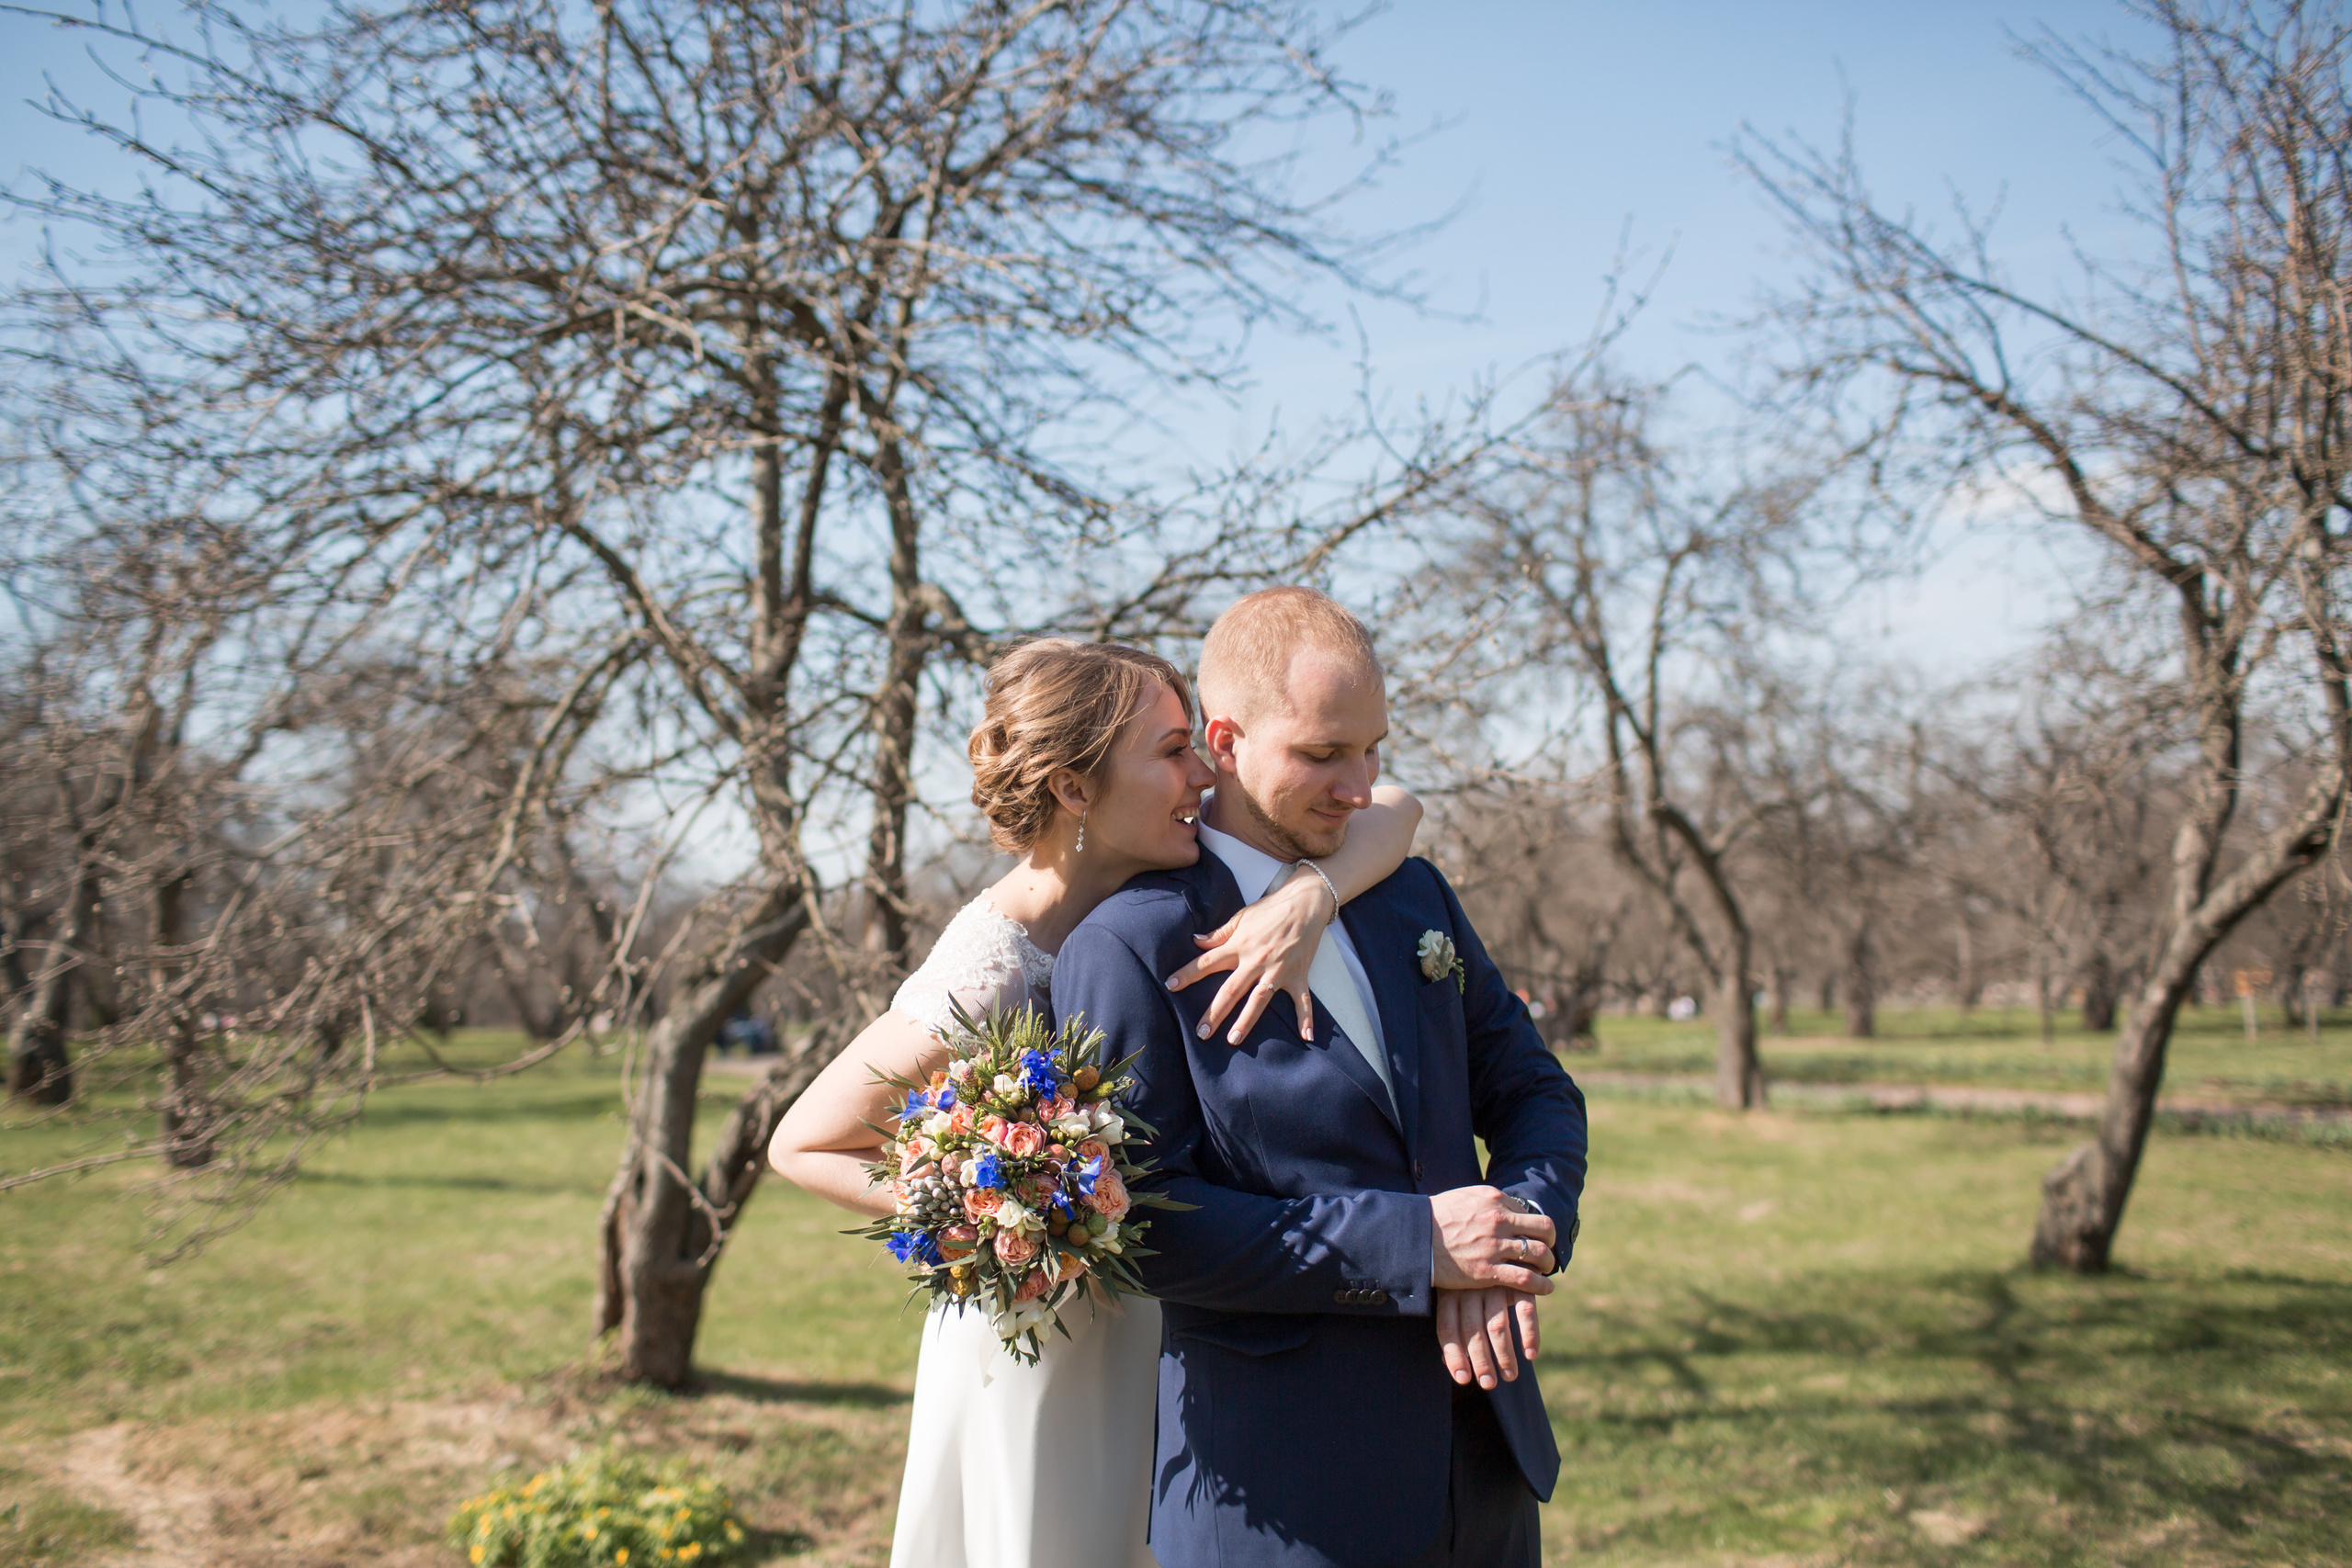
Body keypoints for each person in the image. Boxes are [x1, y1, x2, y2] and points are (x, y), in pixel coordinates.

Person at [767, 637, 1425, 1568]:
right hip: (1052, 1335)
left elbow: (1396, 808)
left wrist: (1309, 897)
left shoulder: (1168, 885)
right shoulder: (997, 960)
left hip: (1170, 1310)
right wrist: (1010, 1214)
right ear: (1075, 789)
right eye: (1169, 752)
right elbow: (802, 1145)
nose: (1204, 773)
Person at [1051, 588, 1589, 1568]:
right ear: (1223, 739)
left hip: (1487, 1468)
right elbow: (1141, 1225)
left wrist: (1508, 1241)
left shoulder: (1409, 891)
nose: (1359, 785)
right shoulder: (1130, 947)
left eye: (1373, 748)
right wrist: (1415, 1246)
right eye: (1322, 755)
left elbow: (1535, 1093)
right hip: (1287, 1499)